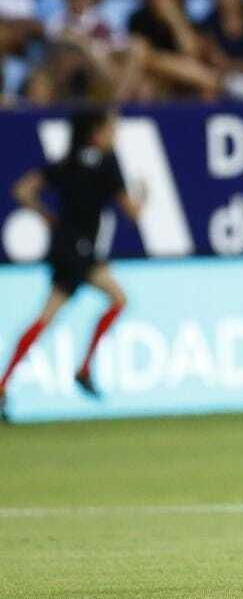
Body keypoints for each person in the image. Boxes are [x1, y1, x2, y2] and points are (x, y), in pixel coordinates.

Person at [0, 111, 144, 422]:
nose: (114, 136)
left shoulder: (66, 162)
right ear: (96, 132)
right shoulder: (108, 164)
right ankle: (83, 368)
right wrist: (145, 195)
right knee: (115, 300)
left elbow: (22, 190)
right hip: (82, 251)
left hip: (66, 247)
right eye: (111, 129)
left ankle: (6, 384)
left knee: (50, 316)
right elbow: (132, 213)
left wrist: (47, 216)